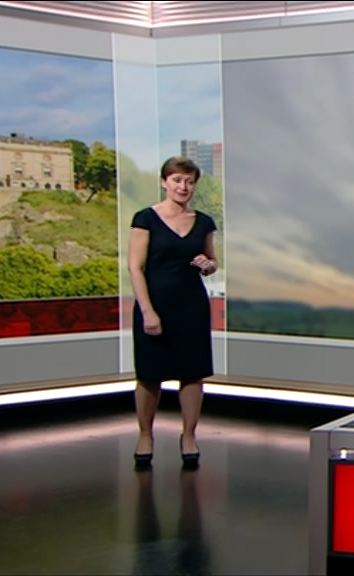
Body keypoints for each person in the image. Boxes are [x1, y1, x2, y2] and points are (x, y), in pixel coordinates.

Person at [129, 156, 218, 470]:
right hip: (155, 305)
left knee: (192, 374)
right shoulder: (145, 218)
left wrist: (208, 265)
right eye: (177, 180)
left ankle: (189, 436)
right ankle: (145, 435)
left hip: (191, 306)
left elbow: (212, 263)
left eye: (190, 181)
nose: (184, 187)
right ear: (164, 182)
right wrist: (148, 311)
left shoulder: (204, 222)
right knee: (149, 375)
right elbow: (135, 268)